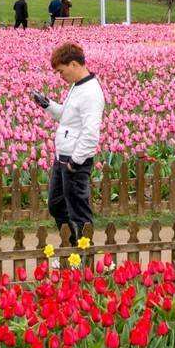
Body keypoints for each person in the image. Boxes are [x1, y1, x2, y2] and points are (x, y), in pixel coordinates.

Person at [31, 42, 105, 241]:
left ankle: (80, 259)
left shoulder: (91, 93)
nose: (60, 76)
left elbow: (90, 133)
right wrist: (46, 104)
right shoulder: (77, 86)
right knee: (56, 205)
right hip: (63, 157)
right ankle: (72, 245)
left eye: (61, 71)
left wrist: (75, 161)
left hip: (74, 162)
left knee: (78, 211)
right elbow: (67, 116)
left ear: (74, 64)